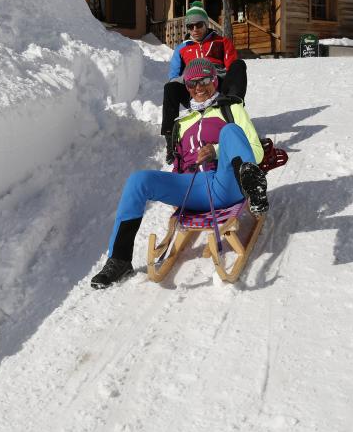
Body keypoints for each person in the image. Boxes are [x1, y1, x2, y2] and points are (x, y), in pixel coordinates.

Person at [92, 58, 267, 289]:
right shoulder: (182, 122)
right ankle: (119, 259)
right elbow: (179, 164)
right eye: (192, 84)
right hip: (193, 189)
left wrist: (215, 151)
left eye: (205, 80)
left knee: (231, 132)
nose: (199, 88)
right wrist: (176, 188)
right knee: (138, 180)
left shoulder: (231, 108)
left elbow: (256, 151)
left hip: (225, 183)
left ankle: (254, 189)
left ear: (215, 81)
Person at [161, 1, 247, 164]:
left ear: (206, 24)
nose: (194, 30)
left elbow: (232, 69)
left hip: (218, 87)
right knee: (170, 88)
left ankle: (233, 107)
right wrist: (189, 79)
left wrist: (217, 73)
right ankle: (170, 140)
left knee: (239, 65)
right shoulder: (182, 48)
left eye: (198, 25)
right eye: (190, 26)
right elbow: (174, 76)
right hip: (195, 89)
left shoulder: (221, 42)